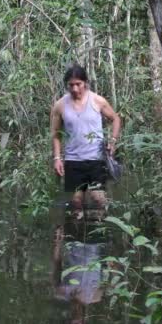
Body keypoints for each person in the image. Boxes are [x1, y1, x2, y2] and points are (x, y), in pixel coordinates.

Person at [50, 64, 121, 219]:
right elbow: (56, 135)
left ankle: (101, 234)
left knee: (98, 199)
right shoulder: (60, 105)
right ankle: (76, 237)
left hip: (96, 159)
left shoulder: (97, 100)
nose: (75, 89)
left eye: (78, 84)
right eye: (71, 85)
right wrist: (57, 158)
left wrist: (113, 140)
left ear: (85, 83)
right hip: (72, 160)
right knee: (76, 202)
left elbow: (115, 118)